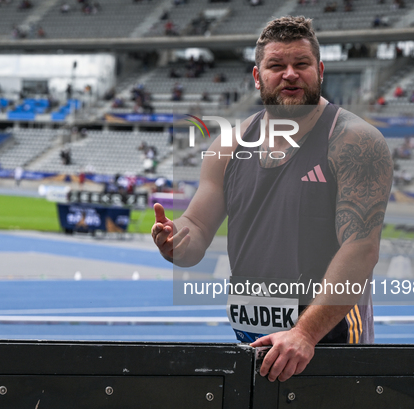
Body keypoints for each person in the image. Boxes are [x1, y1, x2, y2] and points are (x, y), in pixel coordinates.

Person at [151, 16, 393, 382]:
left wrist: (305, 333)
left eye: (302, 64)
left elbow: (360, 249)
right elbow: (197, 228)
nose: (290, 74)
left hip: (327, 339)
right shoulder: (230, 144)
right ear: (257, 76)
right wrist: (177, 239)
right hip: (254, 339)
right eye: (277, 65)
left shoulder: (355, 141)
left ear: (321, 70)